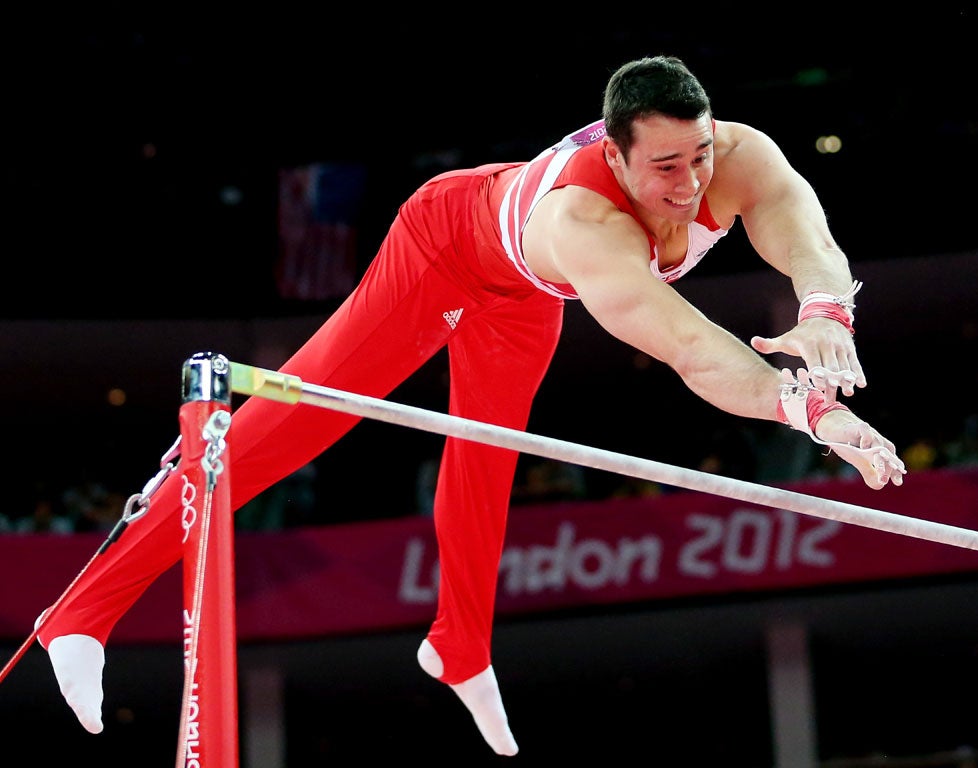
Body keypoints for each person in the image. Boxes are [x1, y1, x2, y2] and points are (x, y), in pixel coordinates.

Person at [34, 55, 905, 756]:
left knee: (487, 459)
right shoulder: (583, 223)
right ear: (615, 157)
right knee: (288, 429)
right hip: (443, 248)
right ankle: (80, 613)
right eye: (665, 167)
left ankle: (460, 648)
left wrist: (828, 318)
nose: (688, 183)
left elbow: (810, 239)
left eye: (700, 155)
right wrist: (809, 414)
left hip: (524, 296)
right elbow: (693, 351)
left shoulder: (740, 157)